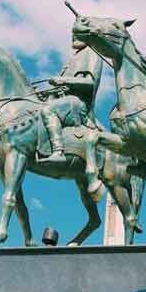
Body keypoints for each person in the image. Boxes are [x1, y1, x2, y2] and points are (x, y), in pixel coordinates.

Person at [38, 34, 104, 195]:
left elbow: (90, 83)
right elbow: (60, 90)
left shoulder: (92, 53)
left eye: (79, 34)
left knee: (48, 110)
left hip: (78, 103)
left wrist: (64, 81)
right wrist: (47, 93)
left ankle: (58, 151)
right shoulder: (73, 59)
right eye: (73, 33)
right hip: (65, 101)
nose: (74, 36)